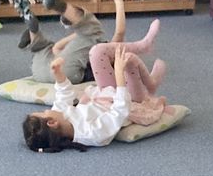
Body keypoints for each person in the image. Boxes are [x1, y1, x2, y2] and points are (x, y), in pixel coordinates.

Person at [22, 41, 164, 152]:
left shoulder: (61, 116)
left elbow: (64, 95)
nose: (48, 109)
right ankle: (151, 85)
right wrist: (119, 73)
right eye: (44, 112)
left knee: (96, 52)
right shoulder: (91, 134)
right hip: (131, 100)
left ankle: (142, 46)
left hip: (106, 93)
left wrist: (58, 74)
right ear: (52, 123)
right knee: (128, 59)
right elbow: (120, 112)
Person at [19, 0, 140, 85]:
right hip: (47, 70)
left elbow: (119, 32)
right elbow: (56, 48)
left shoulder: (105, 53)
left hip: (47, 71)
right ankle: (34, 33)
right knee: (46, 47)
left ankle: (36, 28)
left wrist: (119, 1)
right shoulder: (95, 55)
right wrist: (79, 32)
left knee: (93, 31)